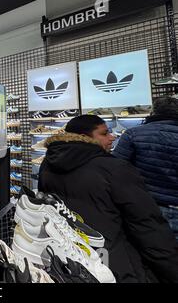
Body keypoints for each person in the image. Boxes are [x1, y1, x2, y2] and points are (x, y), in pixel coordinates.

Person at [38, 115, 178, 283]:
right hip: (117, 263)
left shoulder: (47, 164)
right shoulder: (114, 168)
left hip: (70, 257)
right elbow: (147, 226)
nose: (112, 137)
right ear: (84, 137)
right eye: (104, 133)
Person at [113, 97, 178, 240]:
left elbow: (116, 169)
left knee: (155, 251)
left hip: (150, 205)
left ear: (153, 112)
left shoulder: (133, 134)